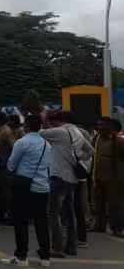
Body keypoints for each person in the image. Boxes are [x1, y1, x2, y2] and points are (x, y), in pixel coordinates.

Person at [0, 114, 52, 267]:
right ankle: (45, 258)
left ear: (27, 126)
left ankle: (21, 257)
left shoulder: (22, 143)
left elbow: (11, 165)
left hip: (24, 186)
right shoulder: (46, 144)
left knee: (21, 221)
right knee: (41, 221)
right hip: (42, 187)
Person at [41, 110, 94, 258]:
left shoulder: (60, 132)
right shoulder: (77, 132)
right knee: (70, 213)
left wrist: (45, 120)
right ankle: (71, 246)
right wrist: (77, 158)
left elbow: (38, 133)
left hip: (58, 177)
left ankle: (57, 248)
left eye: (54, 120)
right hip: (72, 179)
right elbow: (90, 150)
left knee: (53, 213)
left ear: (61, 120)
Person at [92, 117, 124, 236]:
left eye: (101, 125)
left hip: (114, 178)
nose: (98, 127)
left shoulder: (119, 141)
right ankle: (99, 225)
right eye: (98, 125)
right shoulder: (97, 138)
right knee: (98, 202)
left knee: (116, 204)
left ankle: (118, 227)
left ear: (109, 128)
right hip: (98, 176)